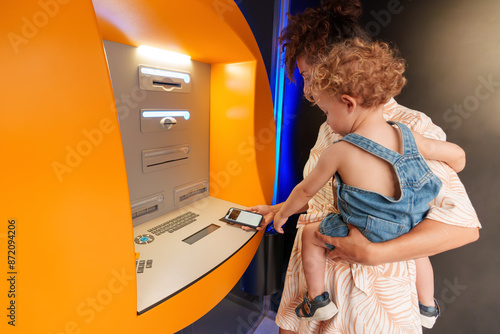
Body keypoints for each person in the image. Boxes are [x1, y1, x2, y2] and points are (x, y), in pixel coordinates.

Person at [246, 1, 480, 333]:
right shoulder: (332, 125)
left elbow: (463, 227)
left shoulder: (408, 128)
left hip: (366, 303)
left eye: (311, 77)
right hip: (311, 289)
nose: (309, 91)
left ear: (340, 69)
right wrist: (279, 209)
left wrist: (372, 254)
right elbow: (321, 197)